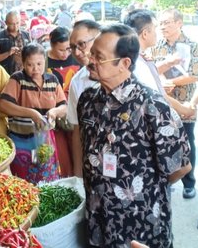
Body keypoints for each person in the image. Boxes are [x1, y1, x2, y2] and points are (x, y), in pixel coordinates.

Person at [77, 24, 191, 247]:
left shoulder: (153, 106)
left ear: (125, 63)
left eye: (98, 57)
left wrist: (144, 189)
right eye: (91, 53)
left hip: (141, 226)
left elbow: (181, 167)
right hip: (98, 219)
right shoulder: (87, 100)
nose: (90, 60)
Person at [0, 43, 67, 184]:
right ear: (23, 63)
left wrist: (54, 112)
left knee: (46, 181)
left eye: (39, 64)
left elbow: (64, 107)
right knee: (23, 183)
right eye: (30, 64)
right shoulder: (17, 79)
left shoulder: (52, 80)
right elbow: (3, 105)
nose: (35, 69)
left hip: (45, 142)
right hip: (21, 141)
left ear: (45, 61)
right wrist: (31, 113)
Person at [152, 8, 198, 199]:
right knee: (163, 143)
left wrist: (169, 82)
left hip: (185, 105)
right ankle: (167, 178)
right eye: (161, 23)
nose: (163, 26)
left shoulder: (193, 46)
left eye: (167, 22)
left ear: (179, 23)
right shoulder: (156, 47)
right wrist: (160, 81)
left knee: (187, 142)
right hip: (162, 105)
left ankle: (189, 182)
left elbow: (195, 75)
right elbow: (151, 71)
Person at [67, 20, 101, 177]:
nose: (77, 52)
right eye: (73, 47)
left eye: (81, 44)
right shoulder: (77, 82)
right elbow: (77, 130)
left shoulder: (129, 70)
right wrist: (78, 175)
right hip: (94, 170)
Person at [45, 26, 80, 177]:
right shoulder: (43, 61)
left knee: (77, 152)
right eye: (61, 50)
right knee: (62, 157)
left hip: (76, 114)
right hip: (54, 115)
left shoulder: (77, 57)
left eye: (68, 49)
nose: (66, 54)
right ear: (51, 45)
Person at [0, 11, 31, 75]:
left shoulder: (26, 35)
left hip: (24, 75)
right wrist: (8, 53)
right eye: (12, 24)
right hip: (5, 75)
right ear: (6, 23)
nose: (15, 26)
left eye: (17, 23)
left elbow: (31, 55)